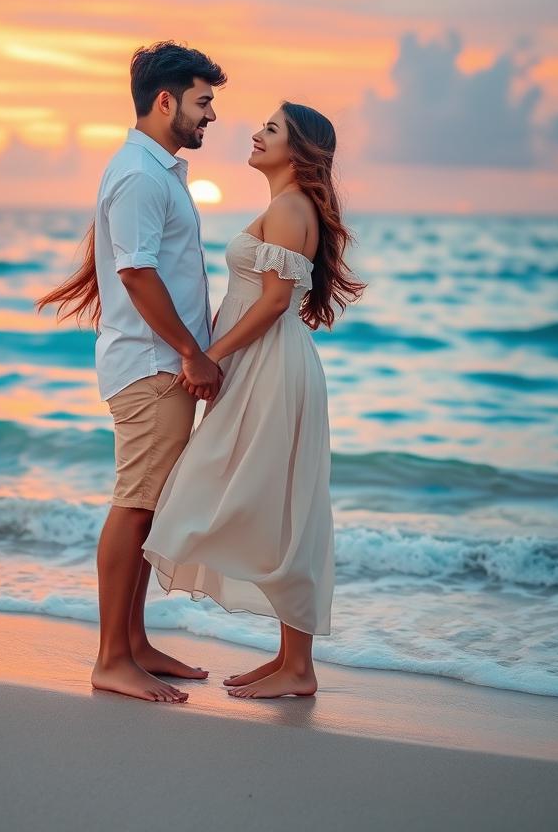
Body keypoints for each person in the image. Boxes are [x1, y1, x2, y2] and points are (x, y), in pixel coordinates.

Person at [142, 101, 365, 698]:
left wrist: (213, 356)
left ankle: (299, 668)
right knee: (278, 503)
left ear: (298, 150)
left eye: (271, 129)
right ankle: (291, 661)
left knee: (281, 506)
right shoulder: (282, 207)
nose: (256, 134)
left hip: (272, 366)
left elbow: (271, 304)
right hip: (262, 363)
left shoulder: (291, 209)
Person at [36, 40, 227, 703]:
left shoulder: (154, 170)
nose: (211, 116)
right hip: (151, 368)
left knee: (146, 508)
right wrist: (191, 352)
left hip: (151, 362)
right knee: (135, 505)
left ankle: (134, 643)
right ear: (166, 100)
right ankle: (111, 657)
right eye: (203, 102)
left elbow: (129, 265)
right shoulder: (143, 175)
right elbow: (136, 272)